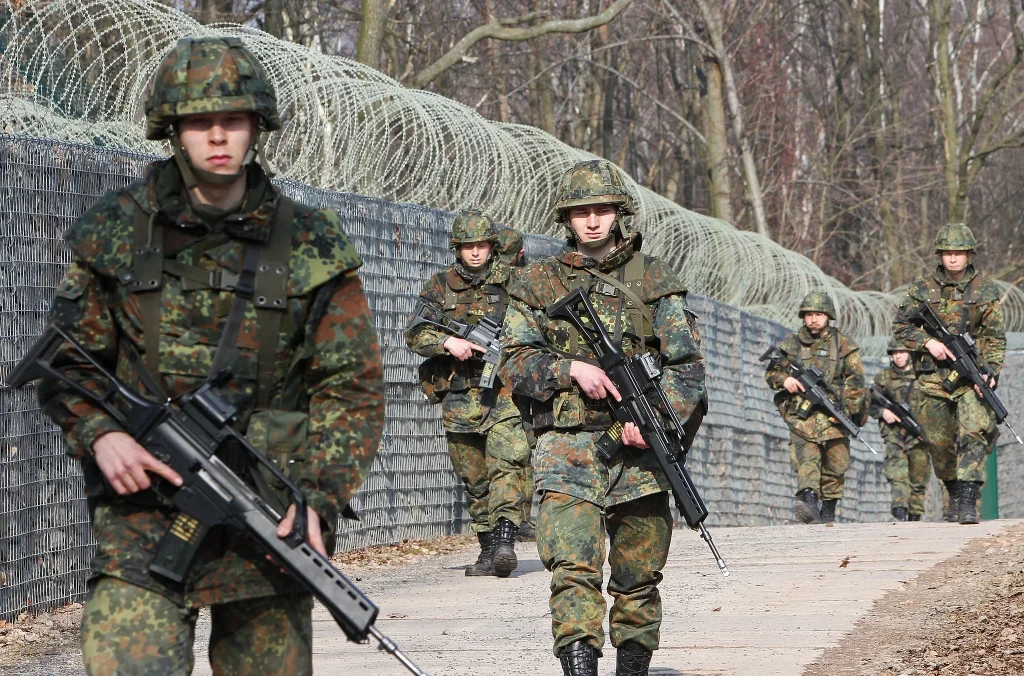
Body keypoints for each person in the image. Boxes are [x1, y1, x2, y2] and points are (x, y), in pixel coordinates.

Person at [36, 37, 386, 674]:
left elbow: (351, 388)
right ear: (172, 130)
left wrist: (318, 497)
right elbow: (65, 361)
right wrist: (101, 434)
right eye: (199, 121)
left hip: (268, 520)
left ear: (258, 126)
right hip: (141, 522)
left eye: (234, 119)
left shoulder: (310, 241)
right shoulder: (115, 230)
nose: (218, 135)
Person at [500, 159, 706, 676]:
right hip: (566, 448)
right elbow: (513, 361)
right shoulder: (537, 284)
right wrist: (569, 368)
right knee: (573, 568)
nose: (591, 222)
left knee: (638, 575)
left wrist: (657, 422)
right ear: (566, 219)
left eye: (601, 211)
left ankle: (632, 667)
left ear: (619, 214)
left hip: (639, 454)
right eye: (580, 212)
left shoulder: (654, 279)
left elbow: (687, 370)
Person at [405, 210, 532, 577]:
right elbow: (416, 332)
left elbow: (539, 324)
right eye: (468, 246)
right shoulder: (439, 285)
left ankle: (507, 537)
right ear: (457, 248)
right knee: (474, 478)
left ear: (492, 246)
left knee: (507, 464)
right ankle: (488, 548)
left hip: (504, 392)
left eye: (481, 245)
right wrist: (448, 342)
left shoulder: (516, 282)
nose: (475, 253)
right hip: (460, 394)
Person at [892, 222, 1004, 525]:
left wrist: (990, 371)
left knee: (976, 430)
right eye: (947, 253)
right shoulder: (922, 288)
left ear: (969, 254)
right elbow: (901, 326)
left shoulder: (985, 289)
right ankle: (953, 489)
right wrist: (928, 342)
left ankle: (968, 498)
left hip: (971, 377)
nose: (953, 259)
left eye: (959, 253)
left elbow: (994, 337)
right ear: (939, 255)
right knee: (937, 442)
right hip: (933, 378)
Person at [764, 292, 867, 524]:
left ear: (828, 316)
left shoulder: (844, 345)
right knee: (806, 459)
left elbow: (857, 381)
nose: (813, 319)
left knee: (836, 463)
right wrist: (785, 381)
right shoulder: (791, 344)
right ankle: (808, 501)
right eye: (809, 314)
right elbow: (772, 373)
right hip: (802, 417)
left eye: (819, 314)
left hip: (834, 415)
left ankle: (828, 509)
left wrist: (847, 411)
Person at [870, 341, 930, 521]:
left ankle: (915, 514)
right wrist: (883, 412)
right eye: (894, 352)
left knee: (919, 477)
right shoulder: (883, 378)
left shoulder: (922, 377)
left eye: (902, 352)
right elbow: (869, 404)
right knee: (898, 474)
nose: (898, 356)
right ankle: (899, 509)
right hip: (894, 434)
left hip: (919, 435)